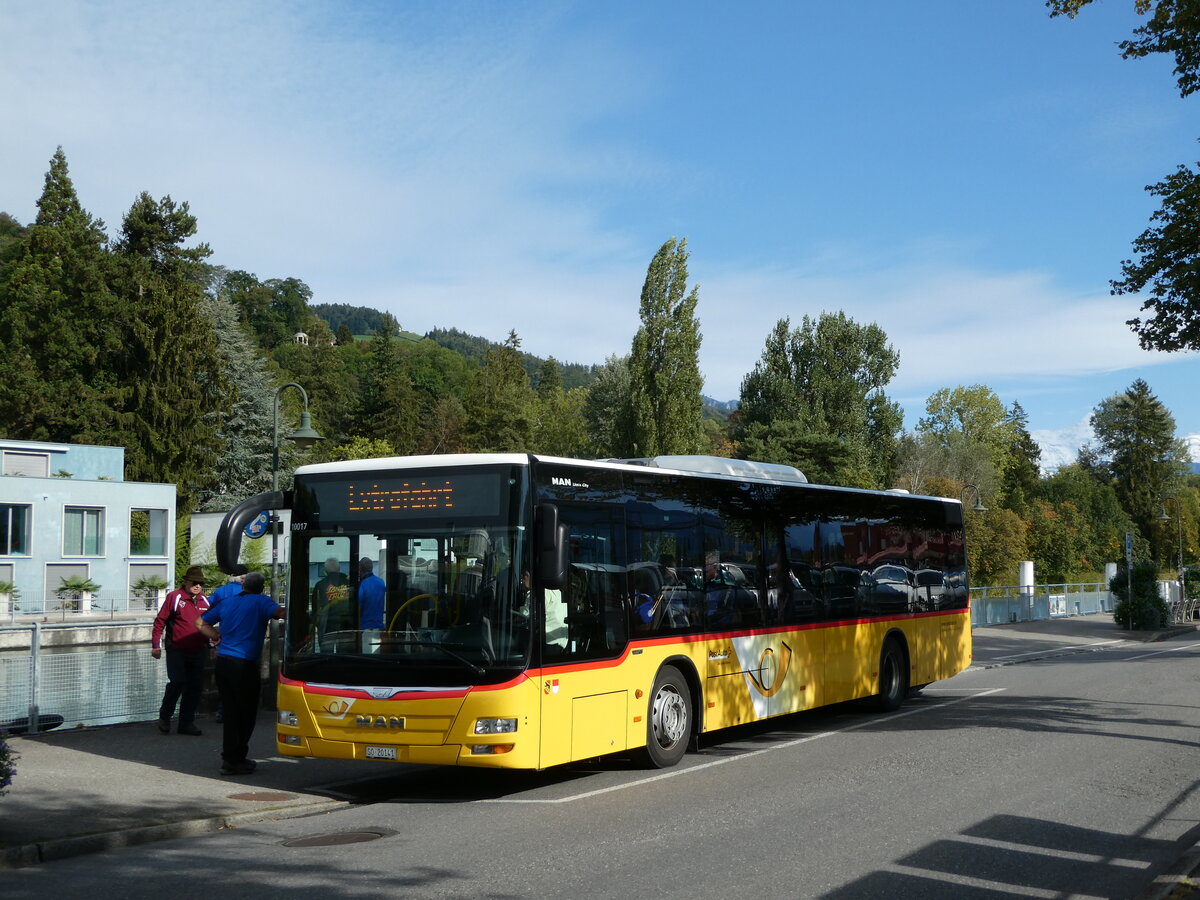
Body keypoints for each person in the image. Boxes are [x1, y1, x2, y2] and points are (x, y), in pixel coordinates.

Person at [196, 571, 285, 776]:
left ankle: (230, 757)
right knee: (246, 713)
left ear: (244, 586)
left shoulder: (228, 602)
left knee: (231, 711)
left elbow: (200, 623)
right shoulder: (261, 602)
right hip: (244, 664)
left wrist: (215, 636)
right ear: (261, 587)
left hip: (224, 662)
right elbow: (281, 614)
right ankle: (236, 759)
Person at [151, 566, 210, 736]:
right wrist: (156, 645)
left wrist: (212, 645)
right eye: (194, 582)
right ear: (186, 582)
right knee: (177, 682)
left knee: (195, 687)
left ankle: (186, 723)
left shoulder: (204, 601)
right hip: (176, 648)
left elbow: (207, 625)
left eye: (200, 583)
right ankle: (165, 717)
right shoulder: (175, 597)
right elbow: (160, 621)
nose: (197, 586)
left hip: (197, 650)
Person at [205, 564, 250, 723]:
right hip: (245, 643)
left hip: (225, 643)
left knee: (226, 682)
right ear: (245, 577)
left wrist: (212, 639)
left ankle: (223, 712)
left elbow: (205, 609)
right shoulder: (249, 593)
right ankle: (241, 713)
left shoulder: (221, 591)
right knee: (244, 681)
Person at [358, 557, 386, 630]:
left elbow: (358, 606)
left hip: (365, 627)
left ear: (360, 570)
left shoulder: (362, 584)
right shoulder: (381, 582)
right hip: (379, 626)